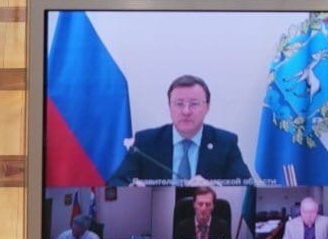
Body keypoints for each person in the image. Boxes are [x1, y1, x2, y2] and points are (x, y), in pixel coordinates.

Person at [107, 75, 253, 185]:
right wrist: (133, 188)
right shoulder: (146, 142)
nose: (186, 111)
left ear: (207, 107)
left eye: (194, 104)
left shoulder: (225, 143)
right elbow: (115, 182)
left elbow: (246, 184)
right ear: (169, 106)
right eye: (179, 104)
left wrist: (214, 188)